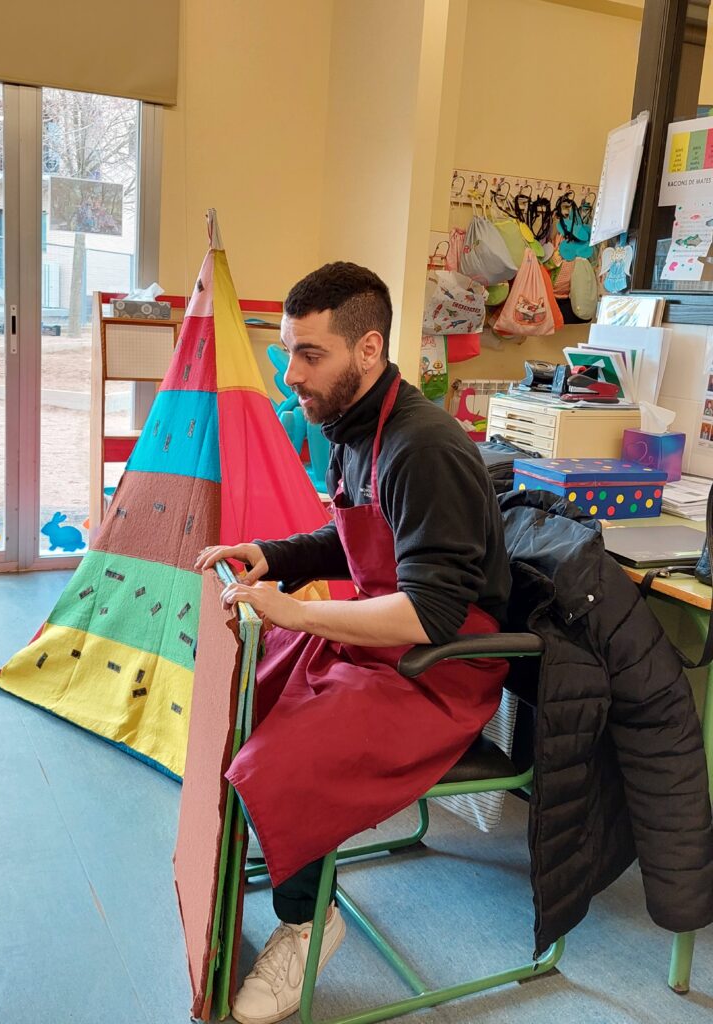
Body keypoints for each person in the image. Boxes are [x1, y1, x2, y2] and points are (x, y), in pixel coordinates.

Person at [197, 262, 511, 1024]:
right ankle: (273, 858)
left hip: (443, 666)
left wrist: (297, 615)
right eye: (289, 352)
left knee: (285, 754)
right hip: (384, 636)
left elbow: (431, 613)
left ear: (369, 349)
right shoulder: (352, 427)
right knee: (247, 697)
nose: (291, 375)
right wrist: (272, 556)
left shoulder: (421, 448)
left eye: (310, 355)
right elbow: (356, 540)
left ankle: (308, 923)